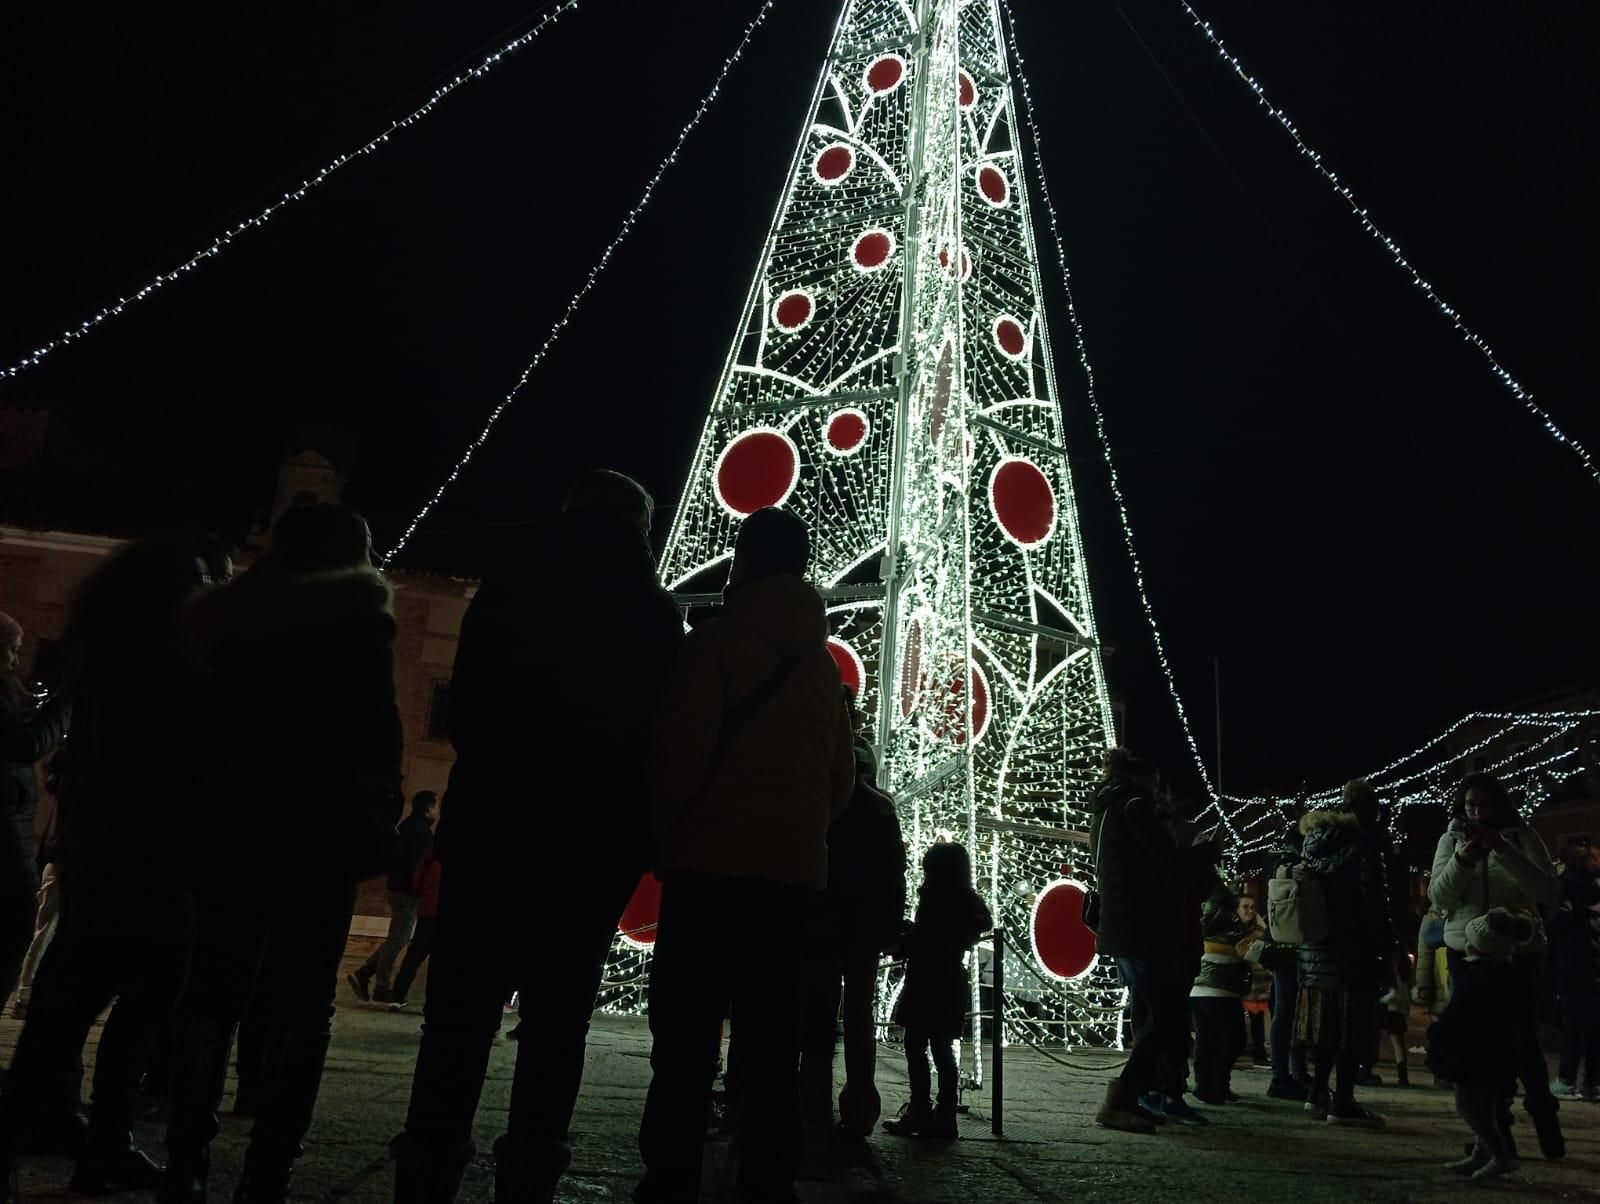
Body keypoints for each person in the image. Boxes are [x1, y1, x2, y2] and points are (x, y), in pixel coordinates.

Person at [393, 471, 683, 1204]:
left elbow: (468, 711)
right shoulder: (652, 614)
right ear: (640, 529)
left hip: (494, 826)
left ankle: (427, 1168)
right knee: (558, 1024)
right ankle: (529, 1177)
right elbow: (660, 740)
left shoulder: (510, 590)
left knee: (457, 1016)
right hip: (592, 843)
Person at [161, 502, 405, 1204]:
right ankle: (270, 1167)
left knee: (210, 993)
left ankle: (186, 1159)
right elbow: (378, 740)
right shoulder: (359, 624)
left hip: (228, 829)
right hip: (318, 837)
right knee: (303, 1008)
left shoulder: (222, 622)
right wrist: (374, 817)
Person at [635, 506, 854, 1204]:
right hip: (790, 884)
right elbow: (842, 783)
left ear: (744, 562)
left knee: (685, 1044)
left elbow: (678, 755)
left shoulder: (713, 645)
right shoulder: (822, 669)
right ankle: (767, 1181)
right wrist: (799, 830)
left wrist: (664, 835)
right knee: (770, 1047)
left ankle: (671, 1177)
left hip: (706, 872)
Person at [0, 538, 215, 1198]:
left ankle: (37, 1143)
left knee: (66, 1012)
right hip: (153, 857)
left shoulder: (102, 655)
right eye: (201, 579)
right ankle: (102, 1144)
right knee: (134, 1010)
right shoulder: (170, 661)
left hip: (102, 854)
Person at [1428, 772, 1563, 1159]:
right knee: (1478, 1047)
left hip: (1519, 951)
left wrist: (1503, 849)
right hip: (1467, 952)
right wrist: (1462, 861)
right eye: (1470, 804)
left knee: (1522, 1040)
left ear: (1500, 805)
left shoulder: (1522, 836)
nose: (1476, 812)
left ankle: (1544, 1119)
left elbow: (1545, 890)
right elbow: (1439, 897)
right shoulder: (1451, 839)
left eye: (1484, 804)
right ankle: (1495, 1132)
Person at [1088, 748, 1220, 1132]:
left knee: (1153, 1013)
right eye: (1157, 784)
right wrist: (1204, 852)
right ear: (1144, 780)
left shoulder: (1106, 810)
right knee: (1166, 1017)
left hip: (1120, 927)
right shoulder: (1135, 807)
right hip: (1142, 927)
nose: (1161, 792)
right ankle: (1123, 1096)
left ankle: (1136, 1095)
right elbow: (1165, 859)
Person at [799, 693, 905, 1138]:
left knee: (818, 1019)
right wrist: (891, 923)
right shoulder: (880, 807)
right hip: (862, 928)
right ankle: (860, 1106)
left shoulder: (820, 800)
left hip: (822, 921)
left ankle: (812, 1106)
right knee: (859, 1018)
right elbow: (894, 873)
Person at [1294, 780, 1394, 1128]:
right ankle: (1344, 1101)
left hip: (1316, 950)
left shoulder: (1315, 841)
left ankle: (1317, 1092)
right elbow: (1373, 901)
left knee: (1325, 1026)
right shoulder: (1365, 844)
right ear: (1372, 809)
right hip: (1354, 949)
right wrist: (1386, 947)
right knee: (1352, 1027)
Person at [882, 841, 991, 1138]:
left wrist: (902, 939)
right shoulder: (968, 901)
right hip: (951, 980)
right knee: (943, 1050)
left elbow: (926, 939)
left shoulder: (933, 898)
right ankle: (945, 1114)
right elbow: (978, 924)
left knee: (915, 1046)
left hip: (926, 980)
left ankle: (919, 1108)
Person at [1426, 908, 1535, 1181]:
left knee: (1469, 1106)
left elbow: (1459, 1017)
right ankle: (1481, 1153)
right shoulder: (1506, 976)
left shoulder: (1477, 978)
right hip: (1497, 1057)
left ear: (1478, 945)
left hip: (1476, 1057)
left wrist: (1438, 1035)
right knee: (1486, 1107)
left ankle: (1501, 1156)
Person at [0, 610, 70, 1032]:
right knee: (16, 932)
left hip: (16, 833)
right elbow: (28, 744)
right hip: (7, 839)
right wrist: (67, 702)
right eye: (10, 650)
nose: (15, 661)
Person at [349, 791, 437, 1004]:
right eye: (436, 807)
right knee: (398, 939)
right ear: (427, 808)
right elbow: (419, 868)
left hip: (396, 888)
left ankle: (366, 972)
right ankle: (381, 986)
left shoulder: (408, 825)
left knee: (398, 937)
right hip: (407, 892)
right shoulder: (423, 833)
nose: (437, 812)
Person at [1188, 882, 1254, 1105]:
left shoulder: (1201, 925)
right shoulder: (1232, 930)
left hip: (1199, 989)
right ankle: (1217, 1082)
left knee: (1207, 1038)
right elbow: (1253, 946)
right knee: (1234, 1039)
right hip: (1221, 991)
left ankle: (1206, 1084)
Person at [1547, 842, 1598, 1101]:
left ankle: (1567, 1079)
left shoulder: (1565, 887)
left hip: (1571, 965)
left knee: (1570, 1026)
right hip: (1596, 966)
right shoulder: (1597, 888)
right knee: (1595, 1029)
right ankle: (1593, 1082)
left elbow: (1556, 924)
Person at [387, 849, 442, 1012]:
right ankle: (432, 1004)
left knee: (414, 956)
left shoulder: (431, 854)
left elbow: (416, 881)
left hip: (427, 912)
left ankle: (397, 996)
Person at [1237, 894, 1271, 1068]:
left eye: (1252, 907)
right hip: (1239, 981)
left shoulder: (1259, 930)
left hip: (1257, 982)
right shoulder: (1234, 930)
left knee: (1256, 1018)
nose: (1249, 910)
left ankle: (1259, 1053)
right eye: (1245, 906)